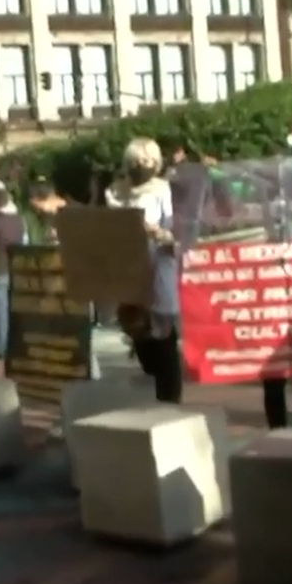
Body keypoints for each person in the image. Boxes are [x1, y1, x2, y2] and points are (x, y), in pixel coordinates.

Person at [107, 138, 183, 403]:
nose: (141, 165)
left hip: (159, 270)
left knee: (163, 343)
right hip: (130, 273)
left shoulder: (164, 190)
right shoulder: (116, 192)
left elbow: (176, 233)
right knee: (140, 338)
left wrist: (158, 233)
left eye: (147, 160)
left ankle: (170, 400)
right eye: (137, 161)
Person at [0, 187, 25, 359]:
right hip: (15, 269)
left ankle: (1, 347)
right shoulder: (19, 220)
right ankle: (16, 343)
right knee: (13, 310)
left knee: (0, 312)